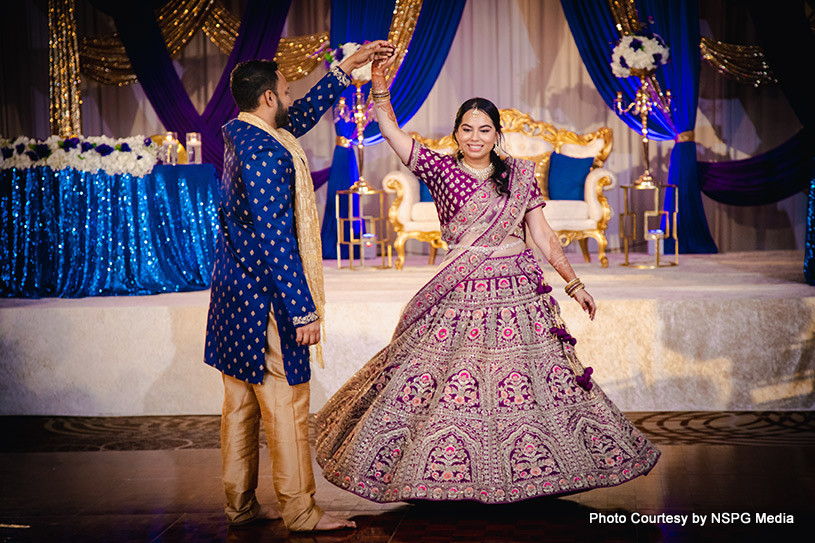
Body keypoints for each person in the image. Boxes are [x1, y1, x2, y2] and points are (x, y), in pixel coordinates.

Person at [315, 51, 660, 504]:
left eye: (484, 130)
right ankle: (452, 477)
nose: (475, 137)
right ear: (456, 134)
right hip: (462, 291)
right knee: (454, 383)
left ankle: (533, 473)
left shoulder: (519, 173)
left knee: (531, 385)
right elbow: (392, 132)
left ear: (497, 135)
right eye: (466, 129)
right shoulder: (439, 169)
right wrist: (379, 84)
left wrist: (573, 283)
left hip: (519, 293)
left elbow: (541, 232)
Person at [203, 41, 395, 531]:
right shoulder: (265, 152)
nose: (291, 100)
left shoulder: (245, 135)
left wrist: (345, 70)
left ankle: (239, 505)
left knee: (241, 404)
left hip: (232, 293)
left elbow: (302, 115)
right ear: (268, 98)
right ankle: (302, 511)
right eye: (285, 93)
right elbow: (275, 239)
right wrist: (302, 310)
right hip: (263, 297)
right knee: (287, 401)